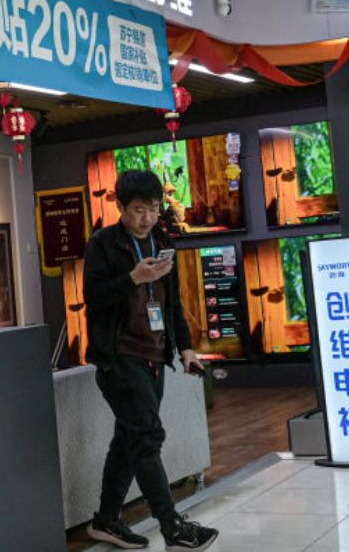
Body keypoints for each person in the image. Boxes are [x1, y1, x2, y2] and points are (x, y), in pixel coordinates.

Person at [83, 170, 219, 551]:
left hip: (154, 355)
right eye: (139, 210)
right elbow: (93, 298)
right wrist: (133, 278)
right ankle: (172, 527)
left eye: (154, 209)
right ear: (120, 206)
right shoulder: (102, 244)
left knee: (129, 438)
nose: (147, 218)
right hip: (119, 358)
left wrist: (185, 348)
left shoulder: (162, 241)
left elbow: (172, 302)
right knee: (146, 437)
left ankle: (106, 520)